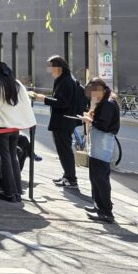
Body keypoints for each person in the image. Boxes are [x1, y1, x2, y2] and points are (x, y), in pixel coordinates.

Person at [0, 61, 36, 203]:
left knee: (5, 157)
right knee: (13, 157)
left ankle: (9, 193)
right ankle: (17, 192)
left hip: (2, 126)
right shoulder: (17, 84)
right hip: (15, 127)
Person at [33, 55, 86, 189]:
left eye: (52, 67)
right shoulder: (63, 79)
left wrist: (44, 99)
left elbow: (63, 103)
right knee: (63, 150)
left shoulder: (66, 81)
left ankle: (71, 179)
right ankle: (67, 176)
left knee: (65, 150)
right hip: (62, 121)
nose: (50, 70)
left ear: (59, 68)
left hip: (64, 121)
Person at [83, 78, 120, 223]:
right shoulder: (106, 101)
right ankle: (98, 206)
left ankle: (105, 211)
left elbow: (103, 125)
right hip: (99, 144)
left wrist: (90, 120)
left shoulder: (108, 104)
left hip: (102, 144)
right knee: (95, 176)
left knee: (100, 178)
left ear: (101, 89)